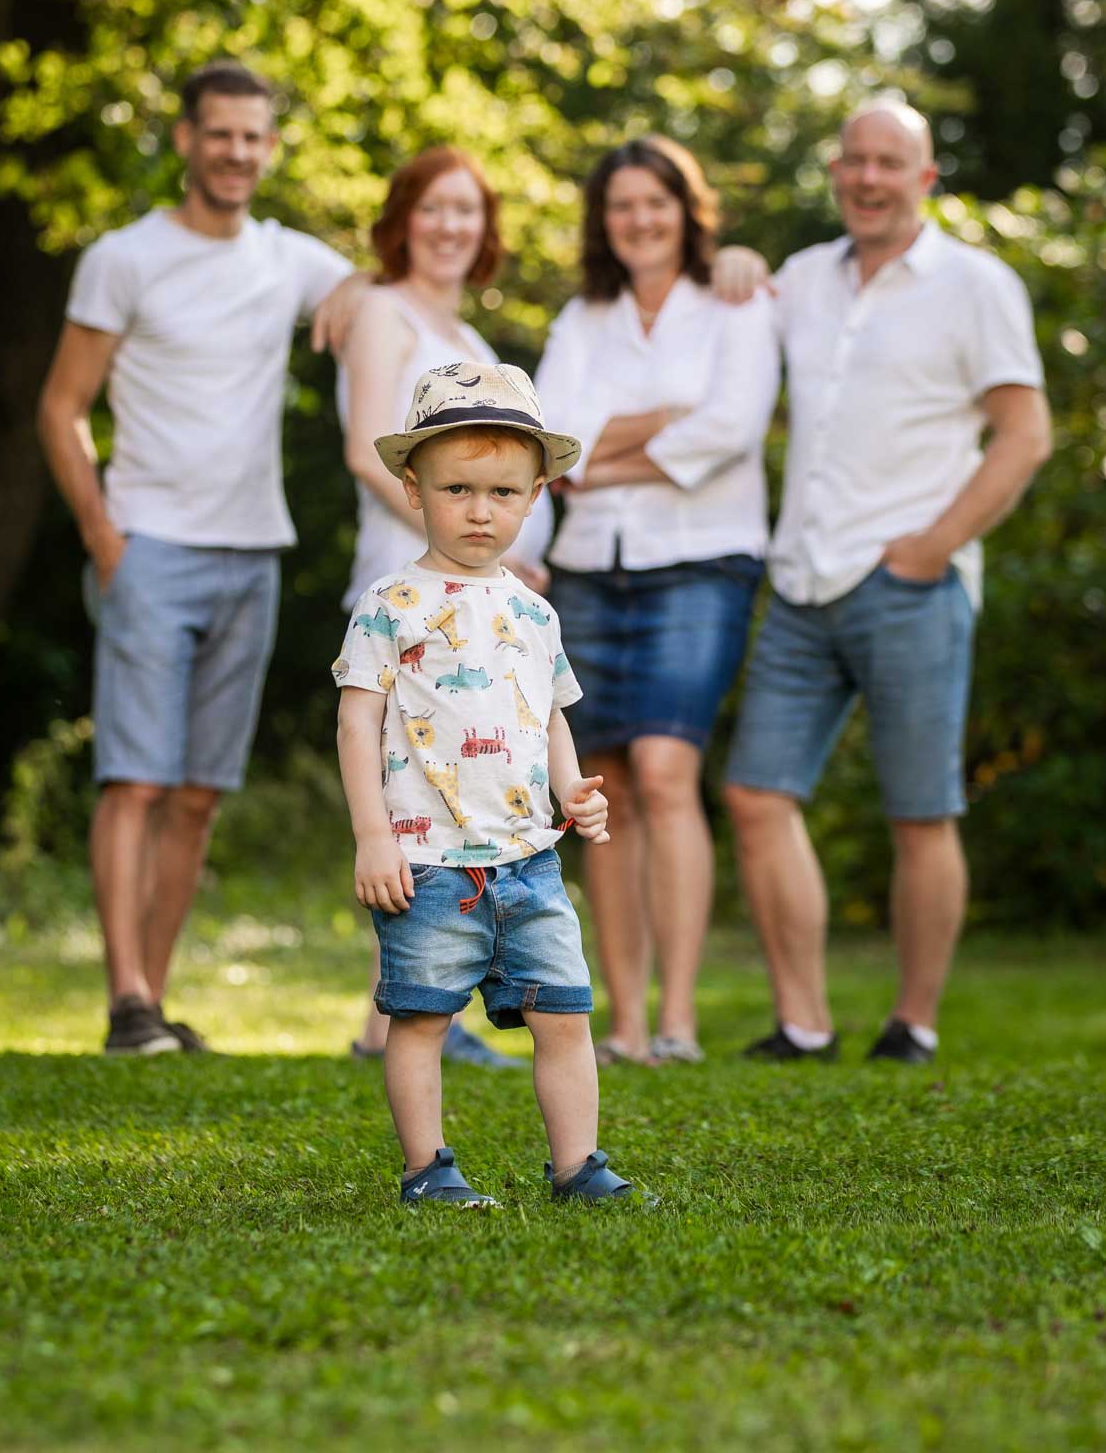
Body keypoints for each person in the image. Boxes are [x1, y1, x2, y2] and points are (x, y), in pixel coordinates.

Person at [37, 59, 363, 1054]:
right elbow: (61, 409)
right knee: (134, 780)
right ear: (185, 140)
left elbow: (383, 290)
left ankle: (154, 1004)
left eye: (253, 137)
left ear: (270, 148)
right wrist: (103, 536)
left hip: (251, 552)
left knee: (197, 795)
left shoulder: (289, 260)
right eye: (219, 134)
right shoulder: (123, 258)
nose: (236, 152)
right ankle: (124, 995)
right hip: (150, 547)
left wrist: (367, 308)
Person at [718, 100, 1051, 1064]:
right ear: (835, 172)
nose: (868, 178)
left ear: (925, 177)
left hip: (910, 581)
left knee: (919, 809)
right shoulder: (800, 280)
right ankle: (804, 1022)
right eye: (853, 161)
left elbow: (1025, 433)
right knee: (755, 794)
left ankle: (912, 1023)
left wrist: (934, 544)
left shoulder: (976, 285)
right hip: (801, 579)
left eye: (889, 163)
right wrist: (734, 267)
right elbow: (729, 326)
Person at [334, 361, 643, 1204]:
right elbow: (357, 722)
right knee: (422, 1017)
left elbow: (549, 714)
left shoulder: (534, 612)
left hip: (528, 861)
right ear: (414, 488)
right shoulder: (391, 602)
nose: (480, 510)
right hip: (425, 860)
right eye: (458, 488)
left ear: (535, 496)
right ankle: (427, 1170)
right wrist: (371, 835)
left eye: (503, 492)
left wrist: (572, 790)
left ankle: (579, 1167)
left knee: (565, 1016)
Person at [534, 137, 780, 1065]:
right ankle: (624, 1023)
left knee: (671, 774)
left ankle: (676, 1023)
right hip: (593, 567)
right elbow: (550, 445)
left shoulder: (735, 299)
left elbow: (732, 427)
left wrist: (600, 454)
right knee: (609, 792)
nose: (640, 220)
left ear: (688, 208)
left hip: (702, 561)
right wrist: (660, 422)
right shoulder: (583, 315)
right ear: (604, 221)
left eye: (657, 202)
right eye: (622, 205)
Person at [338, 145, 550, 1069]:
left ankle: (400, 1014)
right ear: (402, 220)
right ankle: (408, 1011)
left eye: (468, 210)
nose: (451, 226)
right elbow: (362, 448)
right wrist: (455, 568)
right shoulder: (383, 313)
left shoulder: (463, 340)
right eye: (433, 208)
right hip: (414, 595)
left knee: (458, 788)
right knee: (411, 794)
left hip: (482, 604)